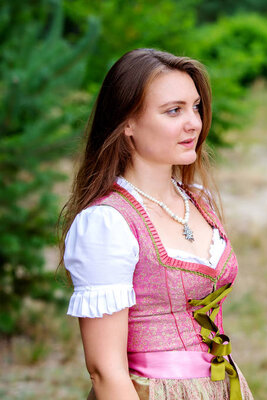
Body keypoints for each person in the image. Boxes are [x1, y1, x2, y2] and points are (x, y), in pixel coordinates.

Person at [58, 48, 253, 400]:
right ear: (127, 122)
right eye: (173, 111)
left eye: (195, 107)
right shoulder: (107, 223)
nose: (193, 122)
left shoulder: (197, 199)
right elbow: (106, 372)